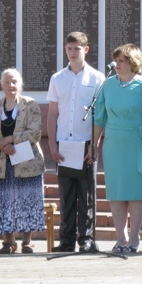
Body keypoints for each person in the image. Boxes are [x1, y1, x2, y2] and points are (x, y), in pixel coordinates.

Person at [94, 44, 142, 253]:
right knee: (117, 191)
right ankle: (120, 238)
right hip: (114, 145)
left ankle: (133, 238)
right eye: (116, 60)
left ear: (133, 63)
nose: (117, 64)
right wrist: (93, 145)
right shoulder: (108, 85)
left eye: (121, 60)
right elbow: (99, 117)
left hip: (138, 144)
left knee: (137, 191)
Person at [47, 31, 105, 253]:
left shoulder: (97, 78)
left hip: (86, 144)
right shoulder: (57, 78)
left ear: (86, 50)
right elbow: (53, 113)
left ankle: (86, 238)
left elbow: (100, 115)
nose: (73, 53)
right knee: (67, 194)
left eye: (77, 49)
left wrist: (94, 143)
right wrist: (52, 144)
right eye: (69, 48)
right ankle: (67, 239)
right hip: (64, 144)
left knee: (87, 194)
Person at [0, 69, 46, 254]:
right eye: (7, 82)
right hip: (3, 162)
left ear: (20, 83)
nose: (11, 85)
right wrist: (1, 145)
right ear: (1, 85)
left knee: (27, 201)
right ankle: (9, 242)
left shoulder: (30, 104)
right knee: (4, 202)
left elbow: (34, 133)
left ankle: (27, 242)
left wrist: (10, 139)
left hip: (27, 161)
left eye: (14, 81)